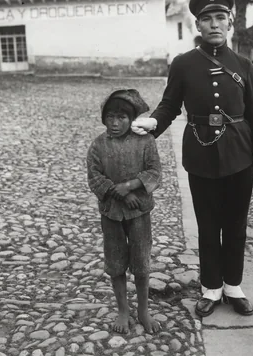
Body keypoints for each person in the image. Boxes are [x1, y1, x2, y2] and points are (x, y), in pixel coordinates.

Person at [131, 0, 253, 318]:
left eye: (220, 18)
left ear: (230, 23)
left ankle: (233, 286)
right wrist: (152, 122)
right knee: (208, 225)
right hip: (201, 155)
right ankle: (211, 288)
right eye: (206, 19)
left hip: (239, 156)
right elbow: (169, 105)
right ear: (197, 25)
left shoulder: (243, 66)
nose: (214, 24)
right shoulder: (183, 64)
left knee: (236, 224)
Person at [86, 89, 162, 334]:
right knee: (116, 262)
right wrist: (118, 192)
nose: (115, 123)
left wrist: (131, 186)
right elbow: (94, 177)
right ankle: (122, 309)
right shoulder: (98, 145)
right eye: (110, 117)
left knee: (141, 262)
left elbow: (154, 172)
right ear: (104, 118)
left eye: (121, 118)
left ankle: (142, 310)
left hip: (139, 212)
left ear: (131, 120)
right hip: (111, 213)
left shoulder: (145, 142)